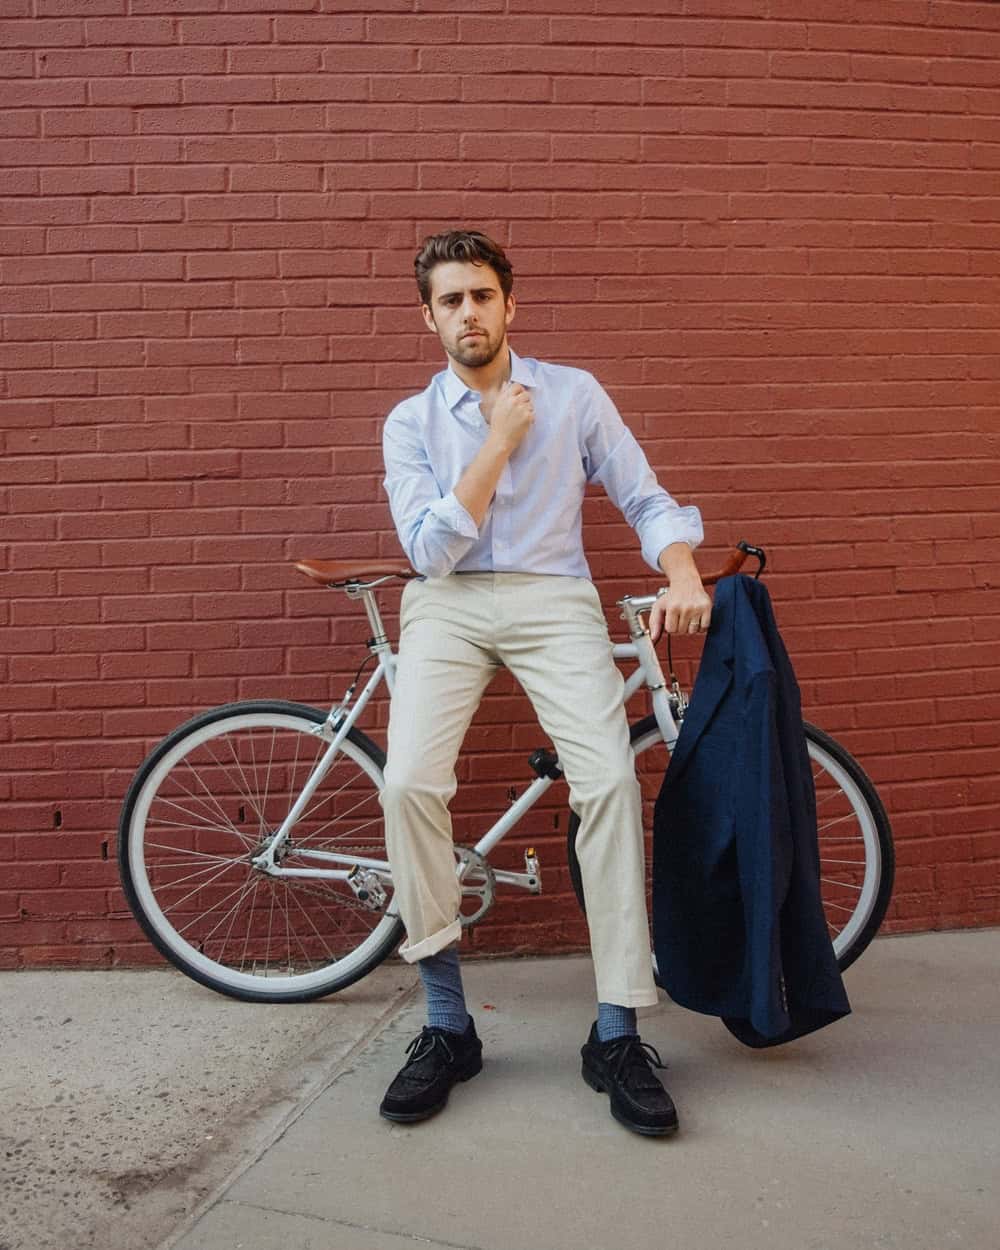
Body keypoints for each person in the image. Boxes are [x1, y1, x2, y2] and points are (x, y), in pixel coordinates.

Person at [377, 229, 711, 1136]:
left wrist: (681, 570)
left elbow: (644, 498)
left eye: (482, 295)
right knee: (408, 782)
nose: (468, 313)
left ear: (509, 304)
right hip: (445, 603)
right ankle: (448, 1026)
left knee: (607, 781)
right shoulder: (411, 422)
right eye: (450, 300)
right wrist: (497, 441)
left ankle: (616, 1032)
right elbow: (428, 550)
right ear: (430, 317)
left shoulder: (575, 394)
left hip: (553, 594)